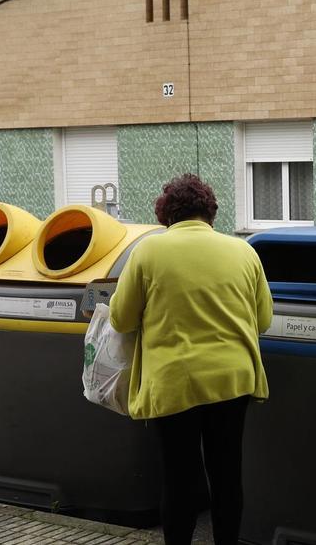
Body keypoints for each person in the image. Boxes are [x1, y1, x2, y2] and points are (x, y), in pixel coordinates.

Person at [110, 173, 272, 545]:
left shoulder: (149, 251)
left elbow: (120, 318)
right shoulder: (244, 251)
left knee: (179, 478)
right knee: (227, 474)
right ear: (210, 213)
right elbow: (263, 320)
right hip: (232, 380)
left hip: (174, 382)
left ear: (166, 215)